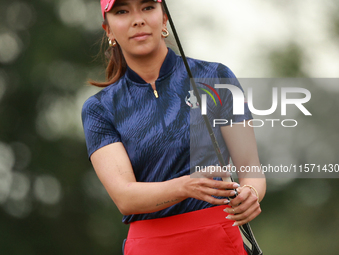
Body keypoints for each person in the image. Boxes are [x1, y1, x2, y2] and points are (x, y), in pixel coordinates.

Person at [81, 0, 266, 254]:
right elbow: (125, 198)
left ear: (164, 18)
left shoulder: (216, 77)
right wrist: (185, 186)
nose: (138, 19)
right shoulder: (99, 108)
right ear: (108, 30)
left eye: (147, 7)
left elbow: (251, 170)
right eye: (122, 11)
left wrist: (251, 192)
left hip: (219, 240)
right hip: (149, 246)